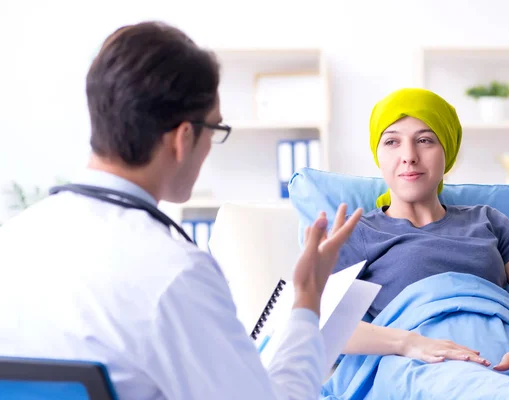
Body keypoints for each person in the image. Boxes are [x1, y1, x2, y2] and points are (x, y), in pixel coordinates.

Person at [0, 21, 362, 399]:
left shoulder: (12, 241)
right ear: (183, 137)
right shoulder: (175, 273)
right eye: (215, 128)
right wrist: (306, 301)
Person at [333, 88, 509, 383]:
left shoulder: (489, 221)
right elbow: (325, 325)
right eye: (392, 141)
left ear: (447, 151)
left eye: (424, 140)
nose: (408, 156)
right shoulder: (357, 232)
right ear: (378, 154)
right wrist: (407, 343)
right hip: (425, 366)